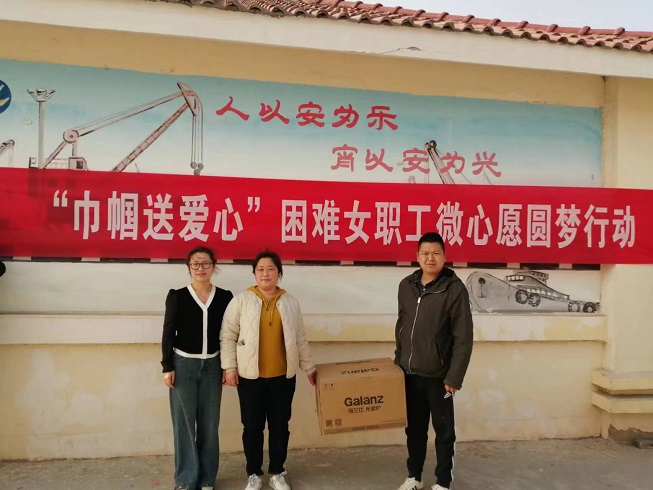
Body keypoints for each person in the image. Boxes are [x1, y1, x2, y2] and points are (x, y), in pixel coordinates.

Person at [220, 250, 316, 490]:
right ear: (254, 273)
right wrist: (230, 367)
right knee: (252, 427)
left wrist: (309, 367)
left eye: (271, 269)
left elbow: (300, 337)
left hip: (283, 377)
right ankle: (253, 473)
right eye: (260, 269)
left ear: (279, 273)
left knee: (280, 426)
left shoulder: (290, 302)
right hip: (249, 377)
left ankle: (277, 472)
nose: (265, 273)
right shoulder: (242, 300)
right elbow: (228, 335)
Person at [394, 232, 474, 490]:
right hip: (410, 374)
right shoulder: (406, 285)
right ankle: (414, 477)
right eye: (425, 253)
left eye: (436, 253)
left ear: (444, 256)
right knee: (415, 431)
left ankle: (442, 482)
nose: (430, 258)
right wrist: (399, 363)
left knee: (444, 432)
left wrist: (454, 377)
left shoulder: (454, 289)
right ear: (417, 256)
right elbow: (402, 326)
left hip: (440, 376)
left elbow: (463, 337)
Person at [161, 246, 234, 490]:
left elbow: (229, 334)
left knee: (209, 425)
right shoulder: (178, 296)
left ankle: (206, 479)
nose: (200, 268)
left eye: (205, 263)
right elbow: (168, 332)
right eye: (195, 264)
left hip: (213, 365)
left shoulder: (225, 297)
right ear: (188, 267)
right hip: (183, 365)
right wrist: (167, 366)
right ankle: (185, 479)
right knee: (184, 424)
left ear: (214, 266)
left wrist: (228, 365)